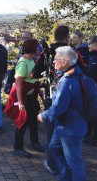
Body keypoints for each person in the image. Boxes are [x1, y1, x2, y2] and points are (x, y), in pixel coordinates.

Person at [37, 46, 87, 181]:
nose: (53, 62)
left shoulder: (68, 81)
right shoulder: (74, 74)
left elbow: (59, 106)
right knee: (54, 148)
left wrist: (43, 116)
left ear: (64, 62)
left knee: (74, 161)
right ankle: (65, 176)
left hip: (70, 125)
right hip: (64, 124)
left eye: (55, 59)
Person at [11, 38, 43, 158]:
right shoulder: (23, 62)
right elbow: (19, 84)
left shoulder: (31, 61)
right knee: (22, 123)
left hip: (32, 96)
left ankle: (34, 142)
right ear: (33, 49)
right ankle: (17, 147)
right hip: (25, 98)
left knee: (33, 121)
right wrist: (20, 103)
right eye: (37, 47)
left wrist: (39, 92)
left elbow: (33, 79)